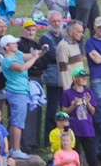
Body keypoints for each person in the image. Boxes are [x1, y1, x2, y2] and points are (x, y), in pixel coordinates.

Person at [0, 34, 44, 159]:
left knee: (18, 121)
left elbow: (29, 56)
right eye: (13, 43)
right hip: (16, 92)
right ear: (7, 47)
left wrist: (40, 52)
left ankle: (15, 148)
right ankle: (16, 149)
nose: (16, 44)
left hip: (22, 91)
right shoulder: (8, 60)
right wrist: (35, 58)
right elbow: (21, 67)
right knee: (17, 122)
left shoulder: (17, 53)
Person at [61, 68, 98, 166]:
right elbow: (64, 112)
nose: (83, 79)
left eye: (84, 77)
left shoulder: (89, 92)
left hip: (88, 130)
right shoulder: (67, 93)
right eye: (80, 77)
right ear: (74, 78)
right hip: (73, 130)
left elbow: (93, 111)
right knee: (75, 159)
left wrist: (87, 102)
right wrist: (73, 105)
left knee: (93, 159)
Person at [17, 20, 48, 154]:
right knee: (28, 112)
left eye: (33, 30)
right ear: (23, 30)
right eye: (28, 30)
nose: (30, 32)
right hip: (26, 79)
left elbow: (43, 63)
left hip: (37, 79)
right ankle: (26, 144)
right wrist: (34, 60)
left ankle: (34, 143)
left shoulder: (37, 45)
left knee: (37, 111)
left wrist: (34, 61)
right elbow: (23, 60)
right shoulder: (19, 44)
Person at [40, 11, 65, 140]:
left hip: (65, 78)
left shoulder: (65, 37)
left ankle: (64, 136)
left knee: (64, 108)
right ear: (49, 23)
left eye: (58, 21)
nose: (56, 24)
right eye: (53, 21)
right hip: (53, 78)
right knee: (52, 109)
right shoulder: (45, 38)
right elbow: (52, 55)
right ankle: (48, 138)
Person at [56, 19, 85, 91]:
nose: (82, 34)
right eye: (79, 32)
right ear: (70, 32)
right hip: (71, 88)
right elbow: (63, 71)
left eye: (82, 32)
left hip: (79, 86)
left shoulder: (75, 43)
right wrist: (68, 91)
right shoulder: (63, 46)